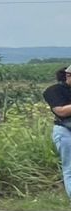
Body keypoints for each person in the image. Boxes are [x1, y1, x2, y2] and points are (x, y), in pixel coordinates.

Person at [43, 65, 71, 202]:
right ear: (68, 76)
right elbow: (61, 111)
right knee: (70, 168)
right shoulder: (54, 90)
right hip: (66, 132)